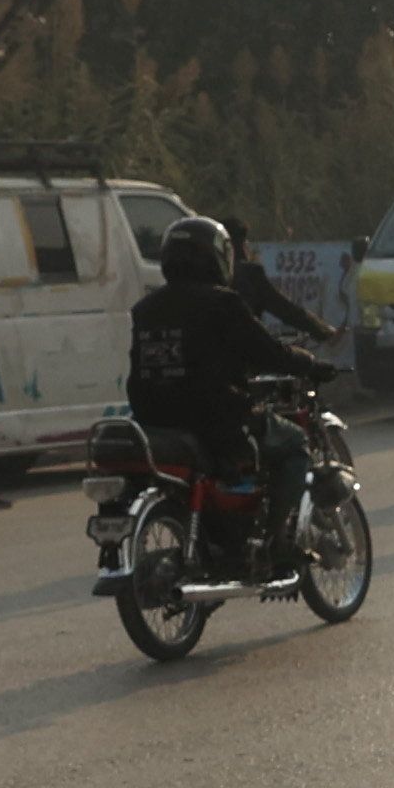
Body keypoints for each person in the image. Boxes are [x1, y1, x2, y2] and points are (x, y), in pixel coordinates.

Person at [124, 214, 312, 557]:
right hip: (216, 419)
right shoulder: (223, 302)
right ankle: (275, 543)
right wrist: (308, 362)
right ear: (216, 257)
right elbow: (269, 353)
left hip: (155, 423)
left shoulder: (145, 309)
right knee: (295, 444)